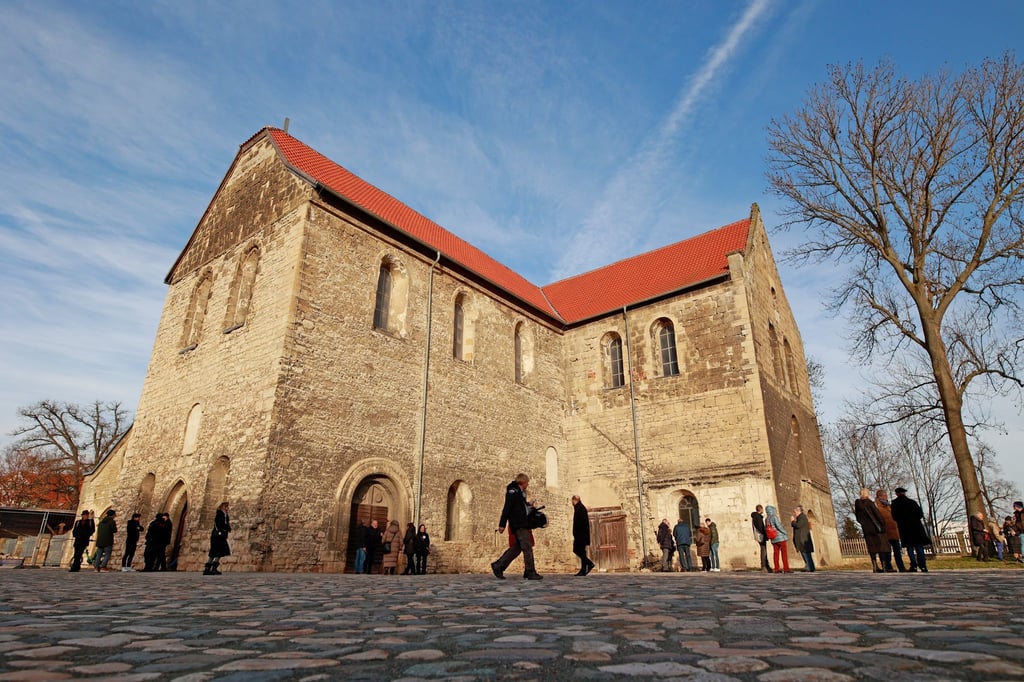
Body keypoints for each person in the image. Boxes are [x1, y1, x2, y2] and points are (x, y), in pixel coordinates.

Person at [490, 473, 542, 580]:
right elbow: (507, 508)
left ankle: (498, 566)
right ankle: (530, 571)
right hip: (519, 523)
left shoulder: (519, 493)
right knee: (527, 546)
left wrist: (528, 505)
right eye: (527, 482)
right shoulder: (513, 492)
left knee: (516, 548)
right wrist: (502, 524)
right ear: (522, 482)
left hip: (522, 522)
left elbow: (520, 507)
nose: (528, 484)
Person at [890, 487, 930, 572]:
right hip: (916, 527)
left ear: (896, 494)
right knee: (919, 547)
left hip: (905, 528)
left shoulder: (895, 503)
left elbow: (894, 517)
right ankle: (923, 566)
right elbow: (920, 514)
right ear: (904, 493)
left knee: (910, 547)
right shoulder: (912, 502)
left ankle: (914, 565)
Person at [854, 488, 890, 572]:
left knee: (871, 547)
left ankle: (875, 566)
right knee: (880, 546)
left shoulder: (858, 505)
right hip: (875, 528)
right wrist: (882, 524)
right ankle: (884, 566)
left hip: (866, 529)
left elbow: (858, 518)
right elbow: (877, 514)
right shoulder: (870, 503)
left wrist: (864, 524)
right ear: (867, 494)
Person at [875, 490, 906, 572]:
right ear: (880, 496)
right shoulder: (877, 507)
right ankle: (888, 567)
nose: (886, 497)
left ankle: (901, 567)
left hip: (894, 531)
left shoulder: (889, 505)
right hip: (885, 532)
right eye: (885, 495)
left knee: (897, 552)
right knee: (887, 552)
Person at [204, 501, 231, 575]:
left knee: (218, 551)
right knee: (216, 551)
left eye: (227, 506)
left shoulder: (225, 515)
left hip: (221, 535)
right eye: (226, 506)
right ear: (222, 506)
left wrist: (228, 528)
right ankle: (210, 569)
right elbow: (218, 523)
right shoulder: (220, 513)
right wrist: (226, 527)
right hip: (217, 535)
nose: (227, 508)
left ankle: (210, 568)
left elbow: (226, 523)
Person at [571, 495, 595, 576]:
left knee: (577, 550)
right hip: (581, 535)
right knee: (581, 552)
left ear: (575, 500)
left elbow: (580, 523)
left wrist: (576, 533)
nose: (571, 503)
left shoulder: (580, 508)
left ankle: (589, 564)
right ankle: (583, 569)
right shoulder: (580, 508)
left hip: (580, 535)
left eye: (572, 501)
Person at [764, 505, 790, 573]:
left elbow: (766, 528)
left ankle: (776, 568)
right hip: (780, 537)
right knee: (784, 553)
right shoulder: (774, 517)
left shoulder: (766, 519)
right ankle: (786, 568)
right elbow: (778, 526)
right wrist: (785, 532)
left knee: (776, 553)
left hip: (773, 538)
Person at [791, 505, 815, 572]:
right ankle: (810, 567)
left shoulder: (802, 517)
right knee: (806, 554)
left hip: (803, 539)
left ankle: (809, 567)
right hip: (802, 538)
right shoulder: (801, 517)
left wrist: (793, 521)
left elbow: (798, 525)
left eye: (795, 512)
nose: (794, 513)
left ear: (798, 511)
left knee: (806, 553)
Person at [750, 505, 771, 572]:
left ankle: (766, 566)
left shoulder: (755, 517)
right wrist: (765, 534)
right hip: (761, 536)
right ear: (761, 509)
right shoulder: (758, 517)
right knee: (763, 551)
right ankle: (764, 566)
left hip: (758, 536)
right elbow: (760, 527)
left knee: (763, 550)